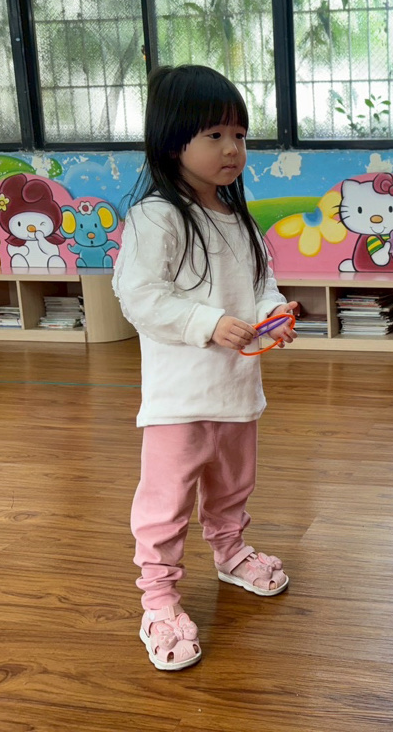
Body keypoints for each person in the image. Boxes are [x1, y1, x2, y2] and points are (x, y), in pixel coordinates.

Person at [113, 64, 296, 671]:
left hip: (237, 391)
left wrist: (272, 315)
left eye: (239, 135)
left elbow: (262, 285)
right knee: (166, 502)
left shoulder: (240, 219)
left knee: (232, 486)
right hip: (179, 399)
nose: (232, 149)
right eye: (215, 135)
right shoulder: (156, 217)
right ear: (173, 142)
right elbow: (140, 296)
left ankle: (230, 552)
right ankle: (159, 600)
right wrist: (208, 322)